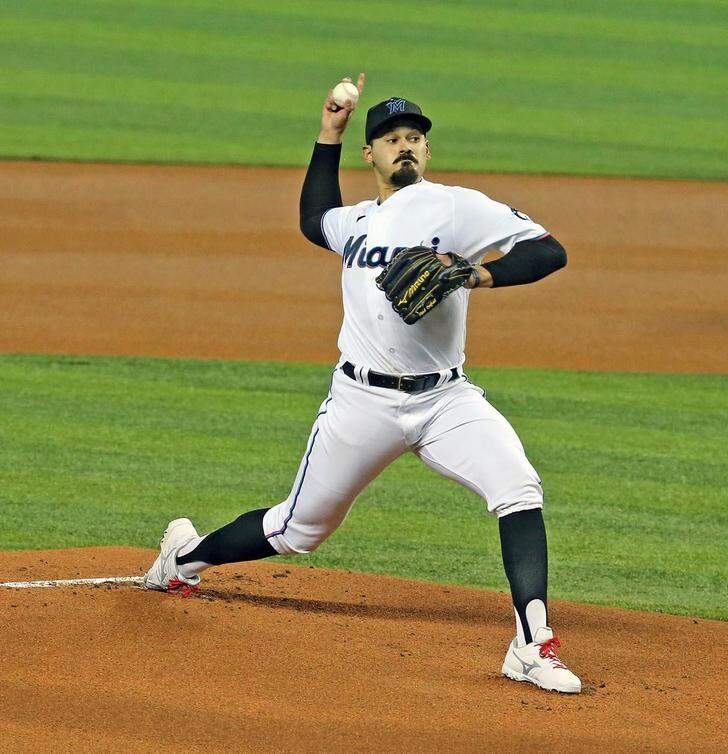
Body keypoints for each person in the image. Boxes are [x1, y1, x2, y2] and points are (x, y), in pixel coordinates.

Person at [144, 74, 581, 694]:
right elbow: (313, 219)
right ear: (370, 154)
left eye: (414, 137)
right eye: (390, 138)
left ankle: (532, 645)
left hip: (444, 399)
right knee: (299, 530)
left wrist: (473, 274)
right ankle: (183, 559)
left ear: (426, 152)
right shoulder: (354, 223)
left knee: (518, 486)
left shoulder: (456, 206)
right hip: (361, 403)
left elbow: (549, 251)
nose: (404, 145)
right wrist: (329, 132)